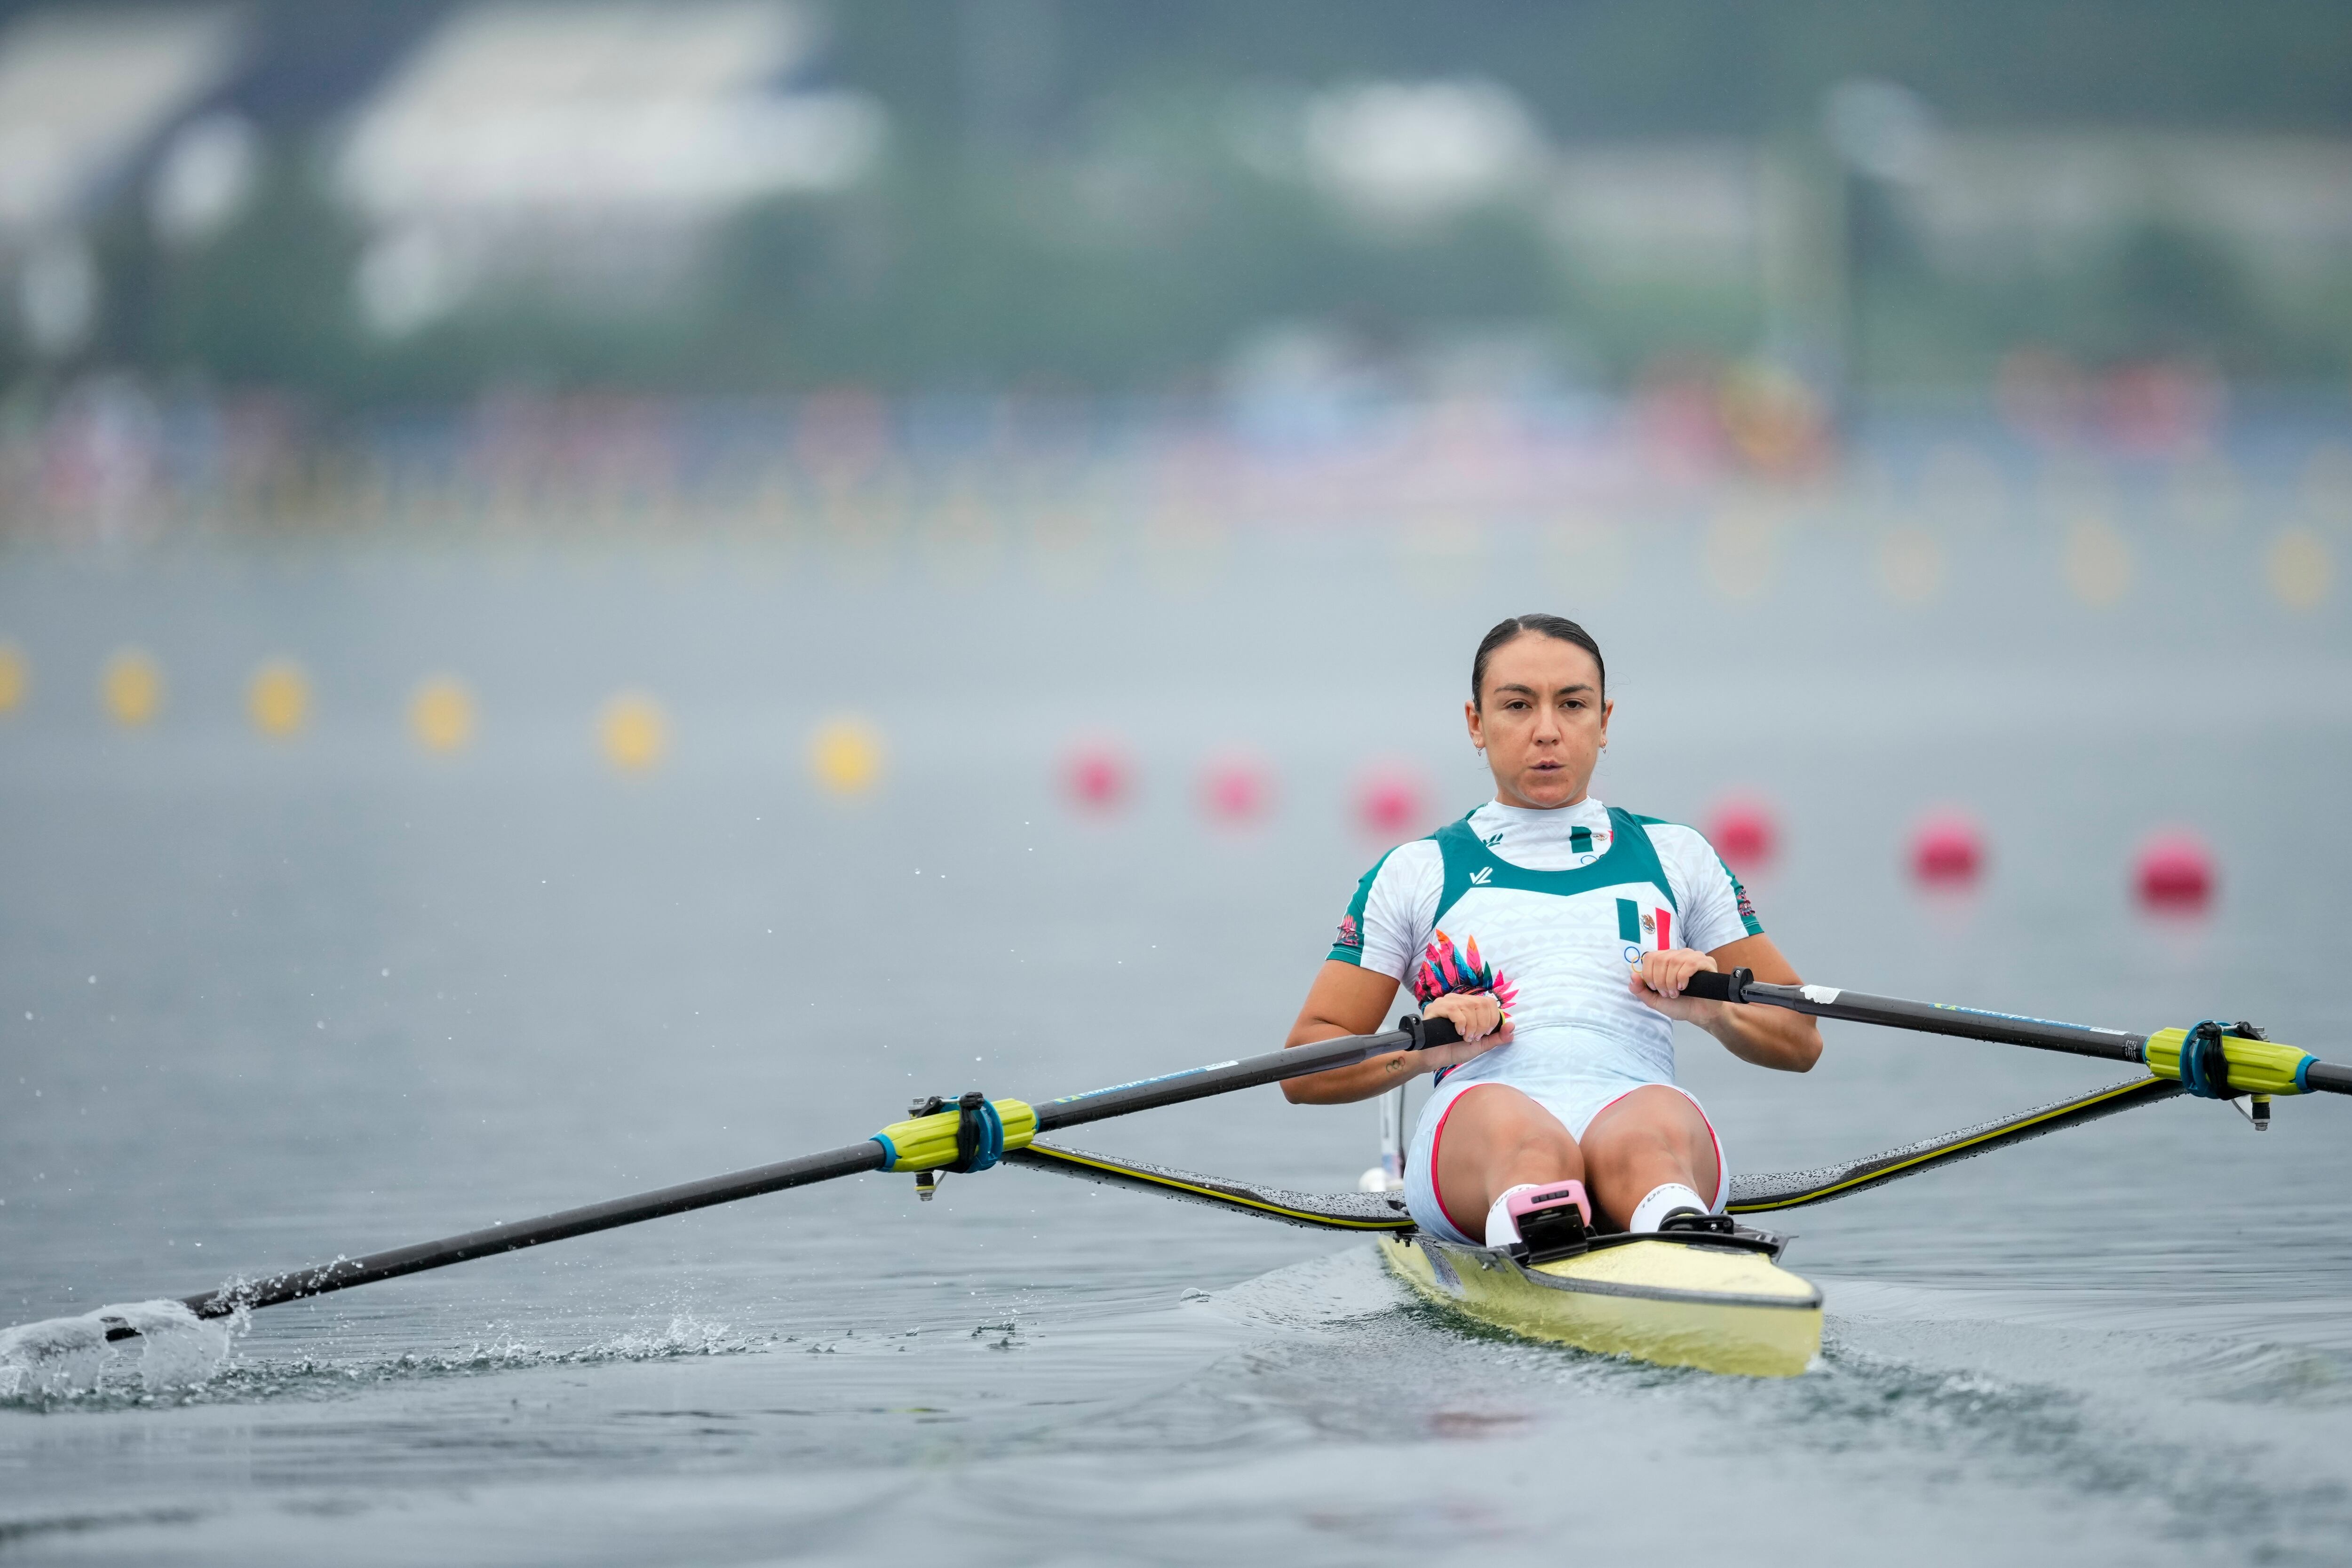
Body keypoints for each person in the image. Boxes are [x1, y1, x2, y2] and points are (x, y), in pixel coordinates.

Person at [1283, 613, 1820, 1246]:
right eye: (1517, 705)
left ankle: (1672, 1232)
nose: (1547, 730)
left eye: (1572, 704)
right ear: (1476, 723)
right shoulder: (1413, 873)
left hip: (1642, 1112)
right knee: (1524, 1137)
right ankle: (1567, 1221)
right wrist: (1427, 1051)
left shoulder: (1679, 856)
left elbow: (1801, 1037)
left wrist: (1714, 1009)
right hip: (1479, 1128)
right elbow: (1304, 1067)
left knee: (1648, 1131)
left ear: (1604, 720)